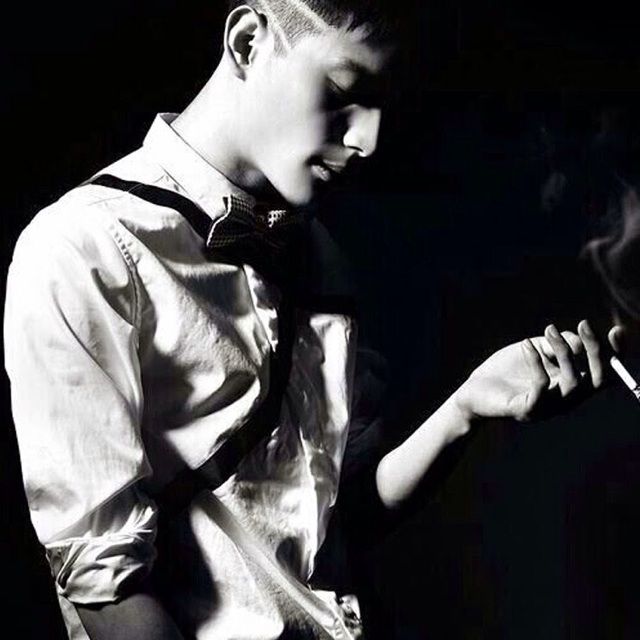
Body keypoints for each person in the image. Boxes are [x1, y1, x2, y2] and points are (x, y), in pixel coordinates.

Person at [3, 1, 623, 639]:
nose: (368, 140)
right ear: (248, 42)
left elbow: (329, 519)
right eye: (344, 91)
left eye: (383, 106)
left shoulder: (317, 253)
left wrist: (465, 409)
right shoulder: (82, 247)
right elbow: (107, 587)